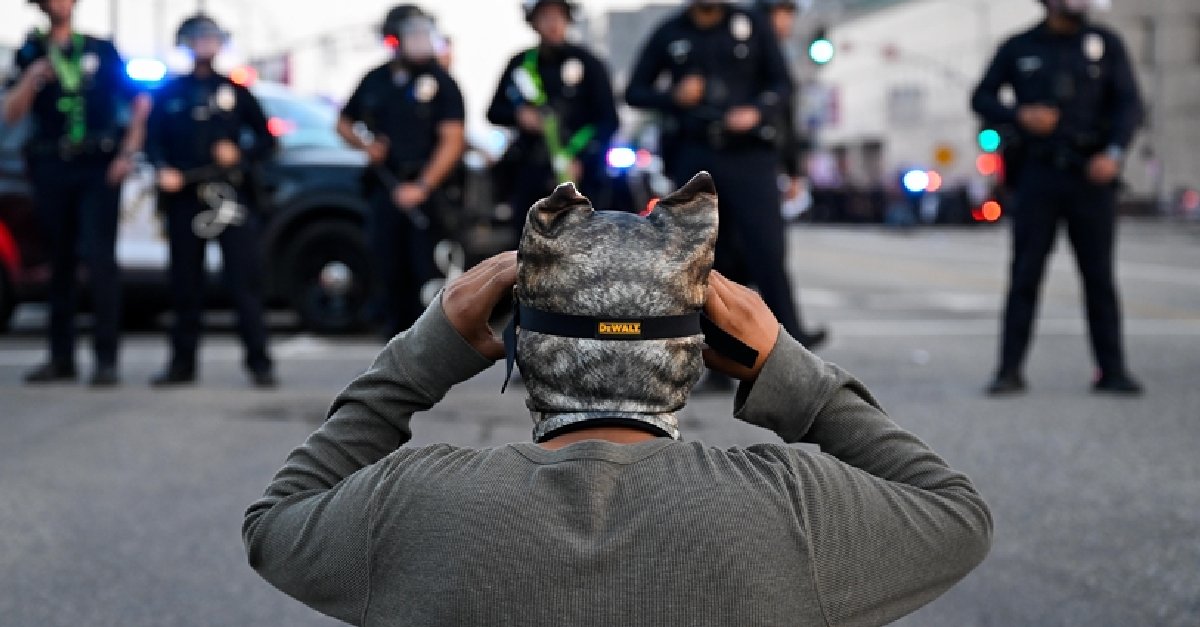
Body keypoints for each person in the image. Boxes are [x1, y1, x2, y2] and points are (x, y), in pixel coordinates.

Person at [243, 174, 991, 626]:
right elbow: (957, 514)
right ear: (695, 354)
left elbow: (274, 520)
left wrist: (421, 354)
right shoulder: (791, 507)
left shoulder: (413, 504)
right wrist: (791, 372)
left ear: (525, 350)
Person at [625, 0, 826, 358]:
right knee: (703, 258)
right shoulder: (670, 33)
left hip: (750, 156)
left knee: (766, 250)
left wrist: (757, 110)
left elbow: (782, 85)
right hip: (695, 154)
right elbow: (635, 91)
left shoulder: (750, 23)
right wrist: (674, 96)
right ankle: (710, 352)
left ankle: (790, 348)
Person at [972, 0, 1144, 396]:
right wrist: (1019, 115)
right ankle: (1009, 370)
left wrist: (1116, 152)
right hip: (1038, 176)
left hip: (1092, 176)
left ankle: (1112, 369)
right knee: (1026, 273)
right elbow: (982, 97)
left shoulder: (1106, 43)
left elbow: (1129, 104)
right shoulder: (1020, 46)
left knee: (1099, 277)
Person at [3, 0, 148, 387]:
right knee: (59, 262)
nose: (59, 5)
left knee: (100, 260)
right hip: (51, 166)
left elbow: (139, 100)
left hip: (98, 165)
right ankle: (60, 356)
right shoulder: (30, 52)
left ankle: (106, 358)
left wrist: (128, 152)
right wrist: (30, 79)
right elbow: (11, 115)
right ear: (41, 5)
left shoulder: (100, 50)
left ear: (75, 2)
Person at [144, 15, 278, 388]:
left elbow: (268, 141)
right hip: (184, 195)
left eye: (211, 39)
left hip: (229, 195)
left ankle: (260, 363)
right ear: (185, 43)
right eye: (198, 39)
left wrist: (239, 154)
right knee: (184, 283)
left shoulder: (234, 90)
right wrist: (161, 168)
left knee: (243, 281)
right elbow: (151, 142)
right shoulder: (169, 92)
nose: (205, 45)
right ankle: (181, 364)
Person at [336, 4, 466, 338]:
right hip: (387, 187)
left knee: (429, 271)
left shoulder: (441, 82)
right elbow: (344, 123)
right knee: (388, 268)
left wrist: (422, 186)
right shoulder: (376, 79)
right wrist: (365, 145)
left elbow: (452, 141)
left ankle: (433, 344)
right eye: (414, 35)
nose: (422, 42)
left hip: (428, 192)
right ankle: (392, 340)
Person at [487, 0, 619, 224]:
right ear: (533, 22)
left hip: (581, 172)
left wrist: (583, 158)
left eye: (558, 16)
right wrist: (519, 116)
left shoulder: (590, 64)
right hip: (532, 171)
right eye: (545, 17)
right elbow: (494, 112)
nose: (552, 24)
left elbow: (609, 120)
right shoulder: (520, 64)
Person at [754, 0, 810, 210]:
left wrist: (793, 171)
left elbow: (786, 119)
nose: (787, 22)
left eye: (789, 15)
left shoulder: (779, 58)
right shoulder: (747, 59)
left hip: (769, 161)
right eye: (780, 15)